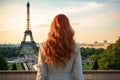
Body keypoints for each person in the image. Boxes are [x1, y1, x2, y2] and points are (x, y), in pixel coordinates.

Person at [36, 14, 84, 80]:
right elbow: (77, 73)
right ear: (68, 27)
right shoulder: (75, 47)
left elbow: (42, 71)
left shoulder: (44, 46)